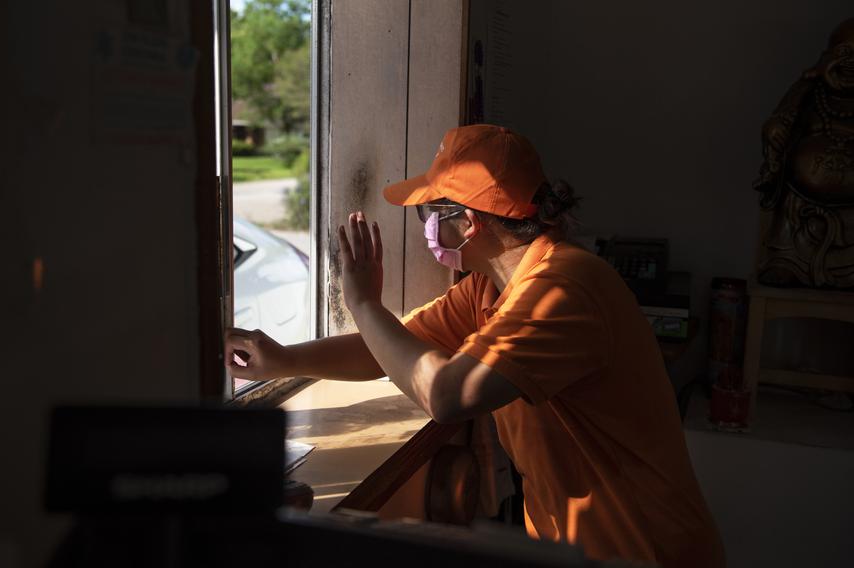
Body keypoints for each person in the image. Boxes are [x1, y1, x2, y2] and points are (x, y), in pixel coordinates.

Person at [225, 124, 725, 567]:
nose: (426, 227)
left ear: (467, 220)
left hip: (644, 550)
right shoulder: (489, 288)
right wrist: (282, 359)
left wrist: (363, 301)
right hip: (571, 544)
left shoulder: (564, 290)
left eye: (429, 211)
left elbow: (447, 395)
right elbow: (388, 349)